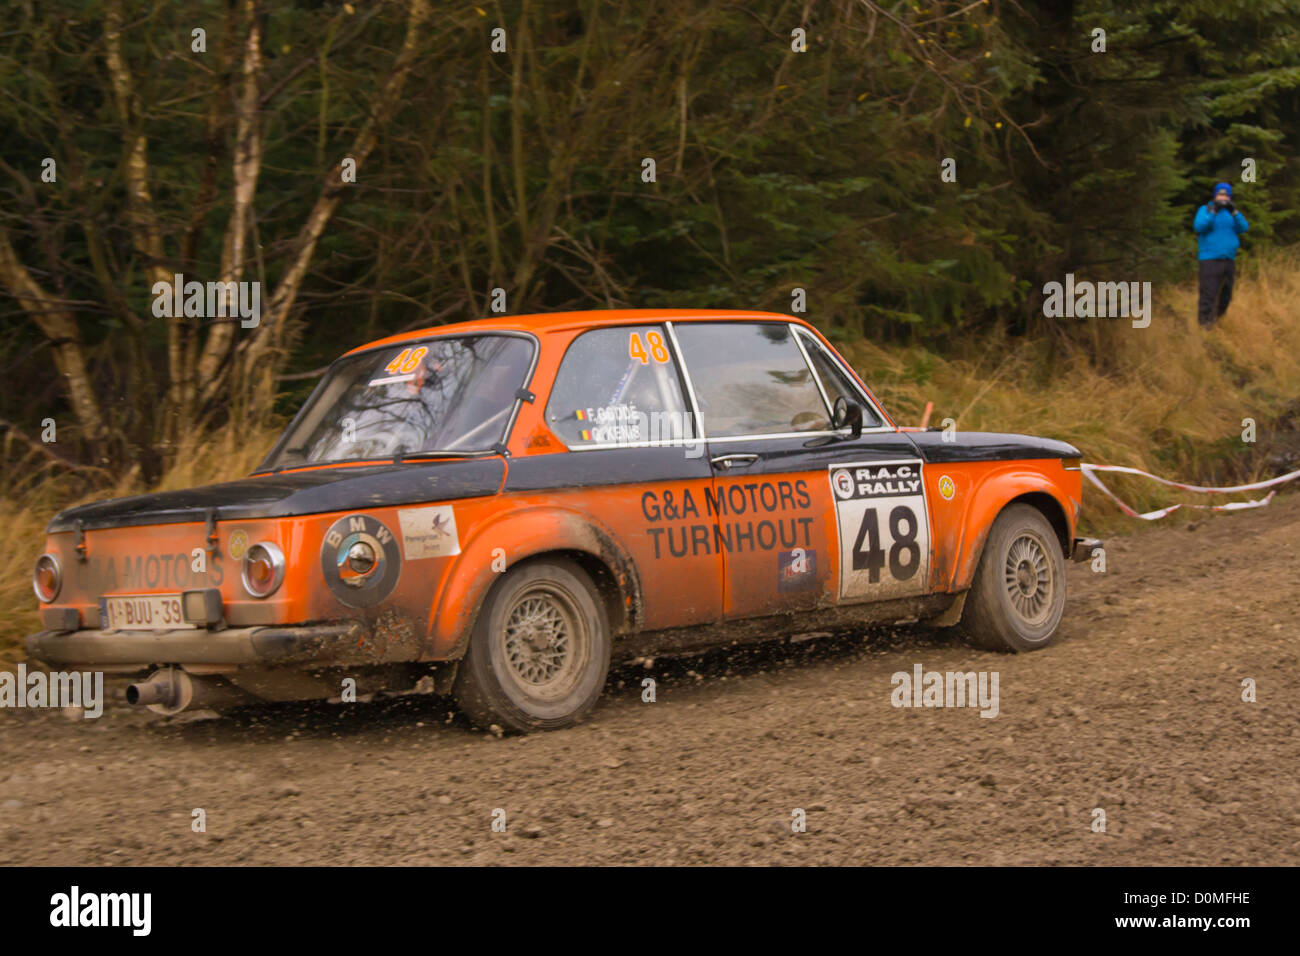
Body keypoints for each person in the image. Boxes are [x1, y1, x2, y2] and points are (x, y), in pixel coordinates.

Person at [1193, 182, 1248, 329]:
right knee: (1208, 294)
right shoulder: (1206, 209)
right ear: (1215, 195)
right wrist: (1213, 212)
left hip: (1228, 259)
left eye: (1225, 195)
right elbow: (1199, 226)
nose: (1222, 198)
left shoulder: (1232, 213)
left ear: (1229, 197)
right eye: (1220, 194)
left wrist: (1235, 212)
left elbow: (1244, 227)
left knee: (1226, 295)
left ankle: (1216, 319)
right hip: (1209, 259)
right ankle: (1205, 326)